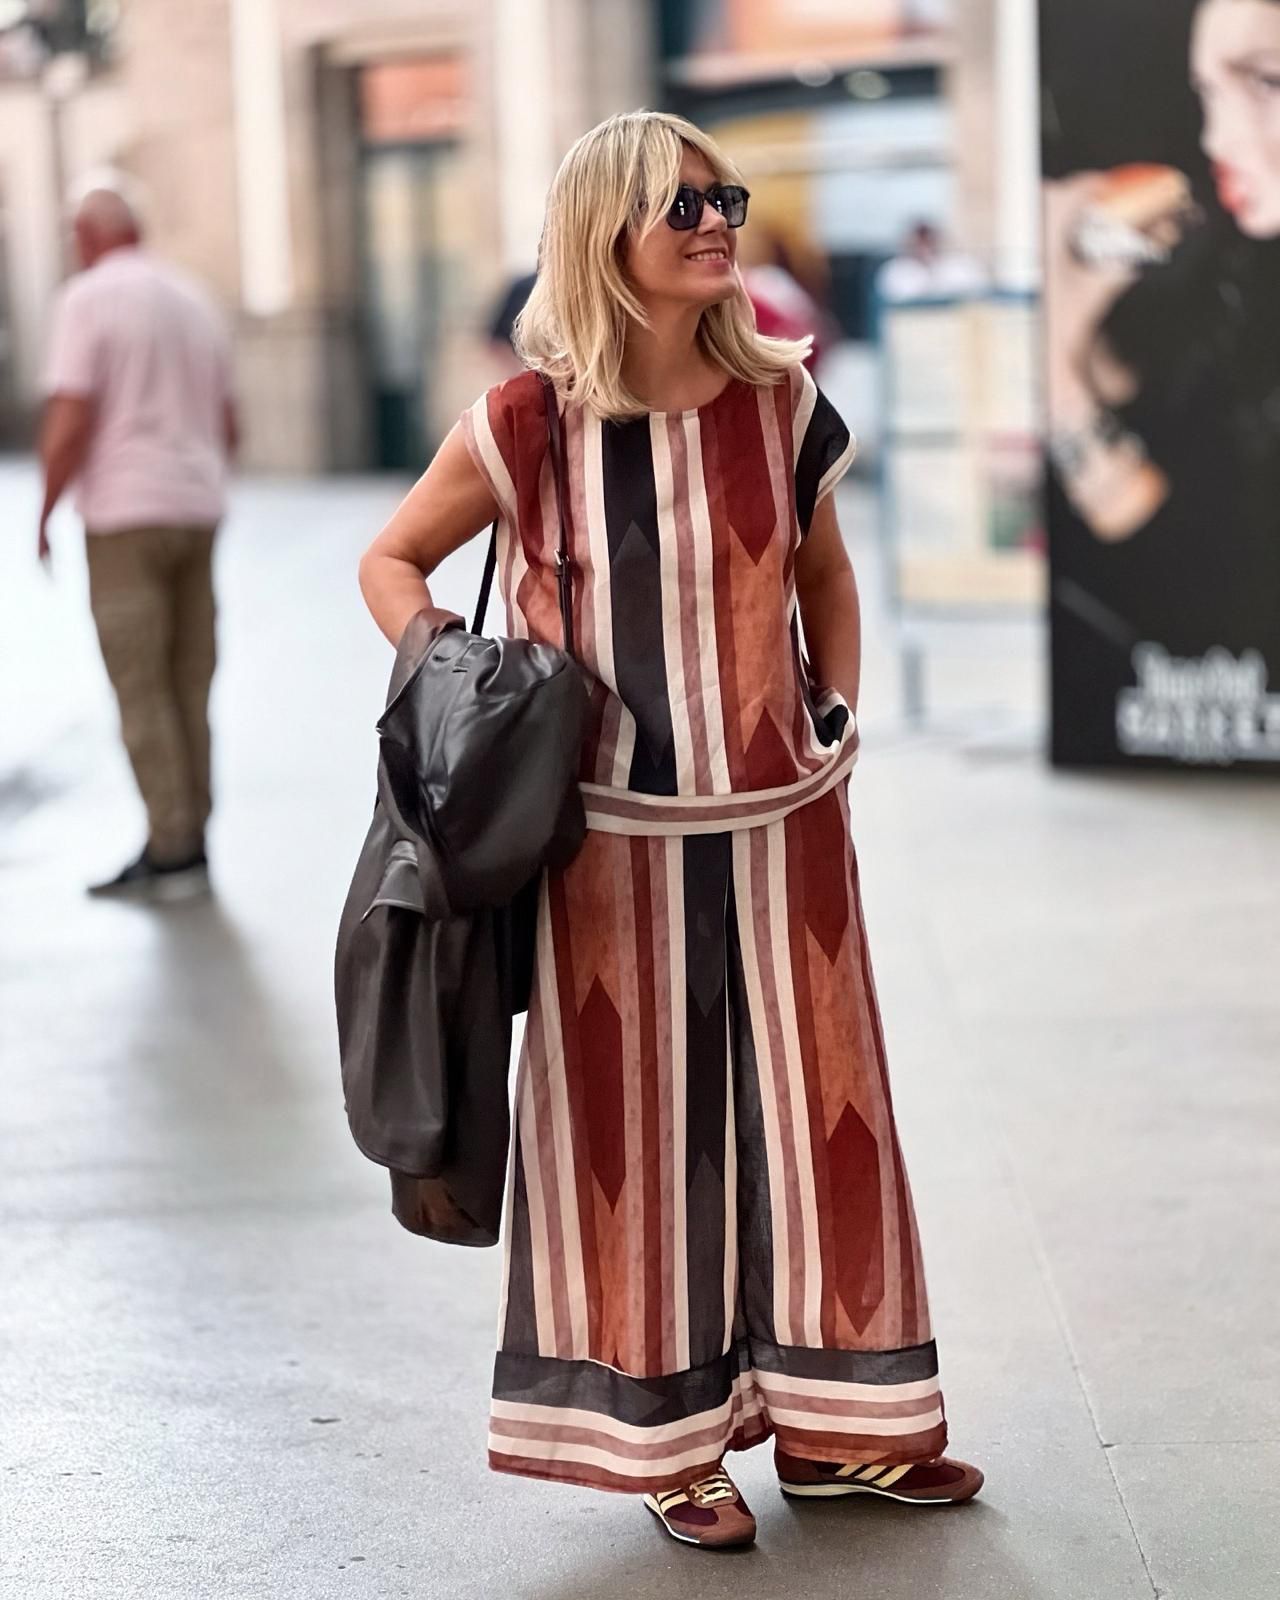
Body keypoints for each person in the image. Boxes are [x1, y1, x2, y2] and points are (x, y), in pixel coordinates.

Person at [358, 110, 982, 1551]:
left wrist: (835, 721)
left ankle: (844, 1435)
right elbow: (389, 557)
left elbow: (823, 574)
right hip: (606, 845)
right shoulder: (525, 426)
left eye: (726, 199)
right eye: (683, 206)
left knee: (827, 1128)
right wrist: (450, 663)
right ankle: (667, 1444)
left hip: (786, 833)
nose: (719, 223)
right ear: (606, 237)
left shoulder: (785, 403)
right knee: (635, 1138)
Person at [1043, 0, 1280, 760]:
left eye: (1268, 83)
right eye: (1208, 94)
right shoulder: (1243, 274)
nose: (1220, 137)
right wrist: (1080, 344)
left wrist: (1057, 374)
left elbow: (1208, 603)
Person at [39, 178, 237, 898]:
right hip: (196, 507)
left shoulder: (85, 299)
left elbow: (70, 417)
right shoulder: (194, 299)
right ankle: (193, 835)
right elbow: (230, 421)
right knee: (190, 679)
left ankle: (171, 848)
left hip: (125, 514)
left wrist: (45, 510)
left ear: (87, 238)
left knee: (141, 683)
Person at [876, 220, 987, 303]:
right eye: (920, 243)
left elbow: (976, 291)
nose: (925, 248)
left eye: (929, 241)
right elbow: (899, 298)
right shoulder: (896, 270)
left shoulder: (960, 265)